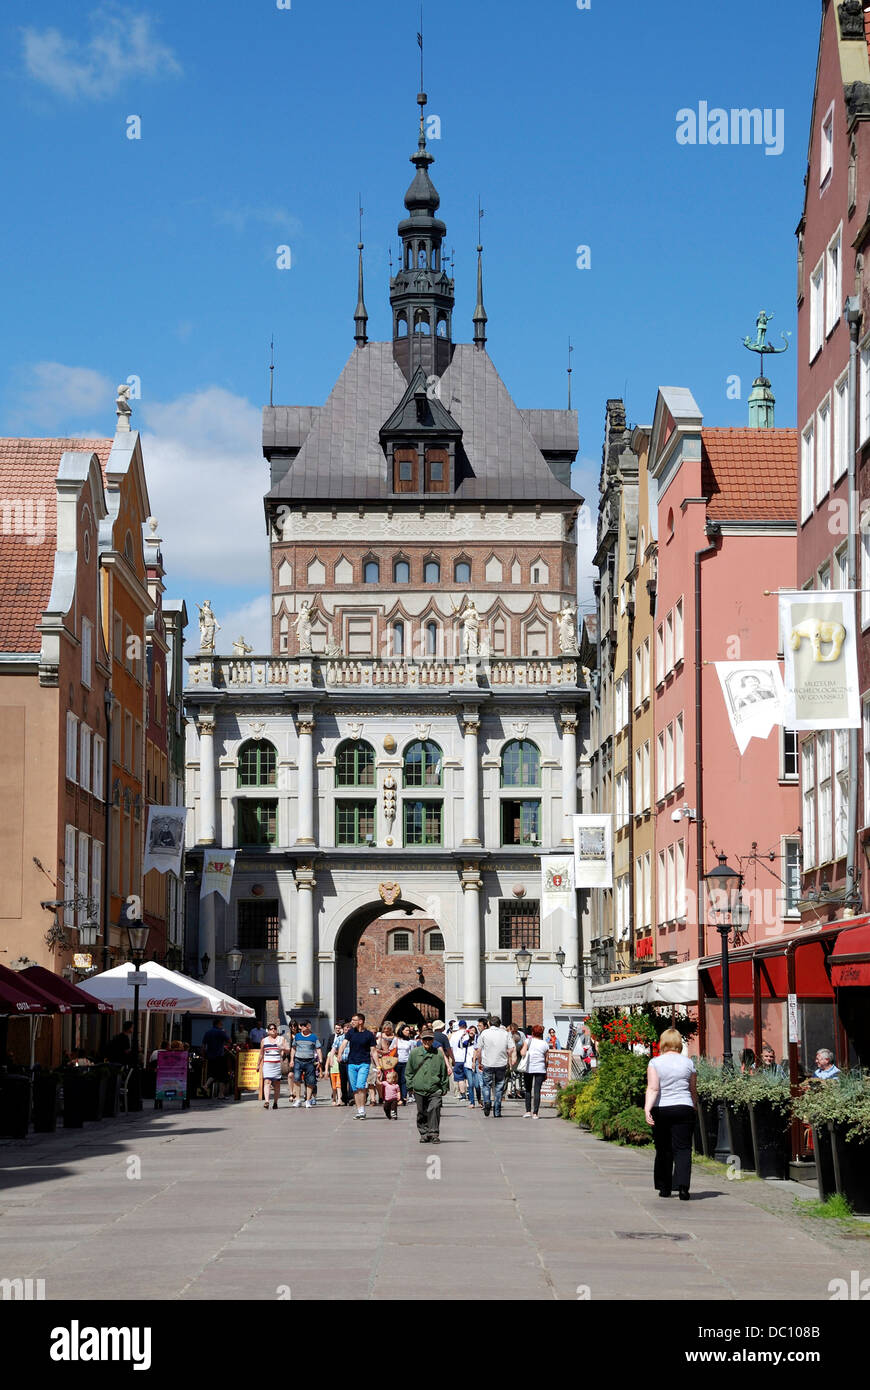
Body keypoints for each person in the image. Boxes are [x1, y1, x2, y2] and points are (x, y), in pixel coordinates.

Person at [644, 1027, 698, 1200]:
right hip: (684, 1107)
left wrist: (647, 1109)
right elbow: (692, 1089)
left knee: (663, 1148)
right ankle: (683, 1187)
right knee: (683, 1149)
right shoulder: (689, 1063)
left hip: (662, 1107)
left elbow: (653, 1088)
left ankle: (664, 1187)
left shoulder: (655, 1062)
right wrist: (694, 1105)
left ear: (663, 1042)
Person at [405, 1027, 449, 1142]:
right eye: (425, 1039)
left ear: (433, 1040)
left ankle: (433, 1133)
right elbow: (409, 1071)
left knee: (434, 1109)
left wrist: (444, 1087)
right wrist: (410, 1086)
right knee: (422, 1111)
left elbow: (443, 1071)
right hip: (419, 1088)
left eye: (429, 1039)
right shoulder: (415, 1053)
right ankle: (424, 1133)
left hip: (435, 1088)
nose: (427, 1042)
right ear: (421, 1040)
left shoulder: (438, 1054)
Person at [475, 1015, 516, 1118]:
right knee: (499, 1086)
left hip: (487, 1062)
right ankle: (497, 1110)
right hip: (501, 1063)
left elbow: (478, 1050)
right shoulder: (505, 1034)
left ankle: (487, 1102)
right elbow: (511, 1048)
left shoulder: (484, 1033)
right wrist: (506, 1054)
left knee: (486, 1085)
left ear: (489, 1024)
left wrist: (479, 1062)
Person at [339, 1013, 378, 1119]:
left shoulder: (369, 1035)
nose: (352, 1022)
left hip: (364, 1063)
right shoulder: (351, 1032)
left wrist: (378, 1066)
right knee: (355, 1088)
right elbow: (344, 1043)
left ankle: (362, 1110)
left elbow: (373, 1051)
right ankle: (360, 1110)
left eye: (354, 1020)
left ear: (360, 1021)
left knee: (361, 1085)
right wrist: (339, 1054)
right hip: (351, 1063)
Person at [290, 1020, 323, 1108]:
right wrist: (291, 1060)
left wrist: (320, 1061)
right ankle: (297, 1100)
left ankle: (308, 1100)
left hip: (310, 1061)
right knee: (296, 1079)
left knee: (310, 1081)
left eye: (305, 1025)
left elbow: (318, 1049)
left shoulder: (313, 1037)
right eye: (302, 1025)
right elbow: (293, 1048)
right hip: (298, 1060)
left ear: (309, 1026)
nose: (303, 1027)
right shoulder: (297, 1036)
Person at [257, 1023, 288, 1110]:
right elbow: (261, 1054)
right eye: (271, 1029)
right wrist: (258, 1065)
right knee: (267, 1082)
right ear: (268, 1031)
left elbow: (287, 1050)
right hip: (267, 1064)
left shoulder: (281, 1039)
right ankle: (267, 1101)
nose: (273, 1030)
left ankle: (275, 1102)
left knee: (277, 1084)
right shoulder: (264, 1040)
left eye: (274, 1028)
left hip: (277, 1064)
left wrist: (283, 1049)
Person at [520, 1025, 549, 1118]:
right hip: (540, 1069)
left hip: (528, 1068)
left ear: (532, 1032)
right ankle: (535, 1113)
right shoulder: (545, 1044)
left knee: (528, 1089)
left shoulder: (528, 1041)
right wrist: (546, 1069)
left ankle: (528, 1111)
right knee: (537, 1090)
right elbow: (547, 1059)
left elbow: (523, 1053)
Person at [201, 1017, 231, 1099]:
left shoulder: (207, 1032)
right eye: (221, 1024)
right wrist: (225, 1033)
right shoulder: (220, 1032)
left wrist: (203, 1057)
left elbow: (203, 1046)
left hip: (210, 1056)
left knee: (213, 1073)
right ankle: (220, 1094)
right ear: (218, 1024)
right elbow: (229, 1041)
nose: (222, 1026)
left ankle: (206, 1086)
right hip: (219, 1056)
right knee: (223, 1076)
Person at [447, 1019, 470, 1100]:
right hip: (467, 1058)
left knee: (460, 1078)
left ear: (459, 1026)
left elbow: (451, 1048)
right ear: (465, 1026)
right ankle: (469, 1092)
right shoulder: (466, 1034)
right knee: (468, 1077)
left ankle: (463, 1095)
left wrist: (452, 1059)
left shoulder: (454, 1035)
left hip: (457, 1059)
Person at [394, 1024, 414, 1104]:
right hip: (397, 1062)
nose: (408, 1032)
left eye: (409, 1030)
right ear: (401, 1031)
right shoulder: (396, 1040)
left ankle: (404, 1097)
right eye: (406, 1030)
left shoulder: (410, 1041)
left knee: (404, 1080)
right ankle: (398, 1097)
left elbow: (412, 1053)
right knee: (396, 1080)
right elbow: (391, 1049)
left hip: (406, 1062)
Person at [463, 1025, 482, 1108]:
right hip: (467, 1065)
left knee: (477, 1085)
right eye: (470, 1030)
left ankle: (479, 1099)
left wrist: (474, 1036)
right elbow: (461, 1044)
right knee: (470, 1084)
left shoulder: (477, 1039)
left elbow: (477, 1049)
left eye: (474, 1030)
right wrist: (464, 1035)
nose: (472, 1032)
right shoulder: (466, 1041)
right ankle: (472, 1102)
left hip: (476, 1064)